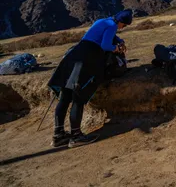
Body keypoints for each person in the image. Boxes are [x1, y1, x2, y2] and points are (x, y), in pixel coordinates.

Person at [48, 9, 133, 148]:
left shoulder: (102, 21)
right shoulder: (112, 26)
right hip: (87, 60)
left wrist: (119, 39)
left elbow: (101, 34)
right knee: (78, 98)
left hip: (74, 55)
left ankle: (58, 135)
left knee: (65, 97)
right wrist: (116, 48)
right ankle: (76, 136)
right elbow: (105, 45)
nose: (123, 28)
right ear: (122, 22)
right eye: (124, 26)